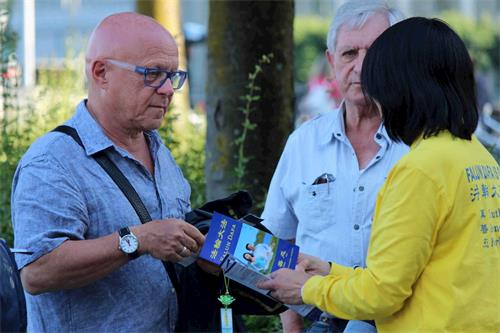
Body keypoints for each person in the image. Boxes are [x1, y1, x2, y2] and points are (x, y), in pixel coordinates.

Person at [258, 17, 500, 332]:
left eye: (380, 86)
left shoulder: (420, 168)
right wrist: (331, 272)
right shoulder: (477, 156)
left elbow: (383, 294)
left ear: (402, 89)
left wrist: (305, 289)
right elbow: (415, 276)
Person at [11, 12, 205, 332]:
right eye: (154, 73)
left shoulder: (158, 149)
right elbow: (37, 272)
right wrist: (136, 240)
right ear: (101, 72)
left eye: (173, 76)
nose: (169, 90)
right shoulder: (51, 162)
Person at [261, 1, 407, 332]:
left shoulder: (418, 144)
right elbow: (278, 243)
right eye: (349, 53)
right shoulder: (304, 143)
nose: (360, 65)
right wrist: (292, 325)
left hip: (401, 321)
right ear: (331, 62)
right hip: (320, 321)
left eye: (374, 51)